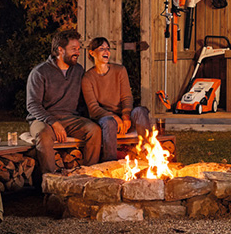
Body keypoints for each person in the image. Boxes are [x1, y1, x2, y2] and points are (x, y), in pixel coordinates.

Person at [26, 29, 102, 175]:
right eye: (73, 49)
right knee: (43, 135)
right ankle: (50, 181)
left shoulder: (78, 71)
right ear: (60, 50)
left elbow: (83, 101)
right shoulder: (40, 72)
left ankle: (88, 176)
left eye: (78, 49)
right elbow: (32, 105)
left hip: (70, 118)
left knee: (94, 130)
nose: (78, 52)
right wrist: (53, 122)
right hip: (43, 120)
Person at [81, 37, 151, 162]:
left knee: (140, 111)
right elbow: (93, 108)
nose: (106, 52)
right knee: (109, 122)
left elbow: (127, 96)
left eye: (108, 49)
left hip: (125, 118)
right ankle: (110, 163)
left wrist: (126, 116)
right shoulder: (87, 78)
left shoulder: (120, 70)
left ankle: (149, 155)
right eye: (101, 49)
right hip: (105, 119)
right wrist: (114, 117)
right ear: (92, 53)